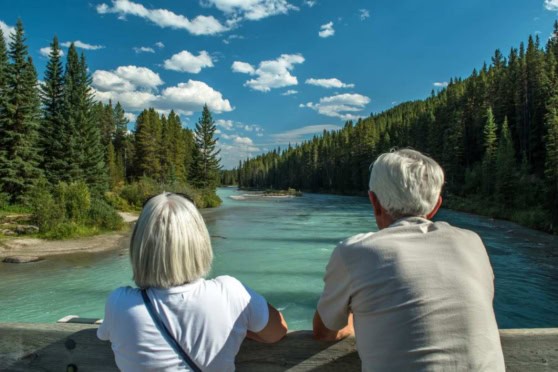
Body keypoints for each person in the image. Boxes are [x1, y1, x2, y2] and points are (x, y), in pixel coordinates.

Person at [313, 149, 505, 371]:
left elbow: (324, 332)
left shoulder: (354, 252)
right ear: (435, 206)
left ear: (374, 202)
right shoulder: (473, 243)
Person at [98, 192, 288, 371]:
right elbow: (277, 331)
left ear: (140, 246)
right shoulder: (230, 293)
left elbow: (106, 335)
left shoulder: (118, 303)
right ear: (199, 242)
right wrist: (238, 329)